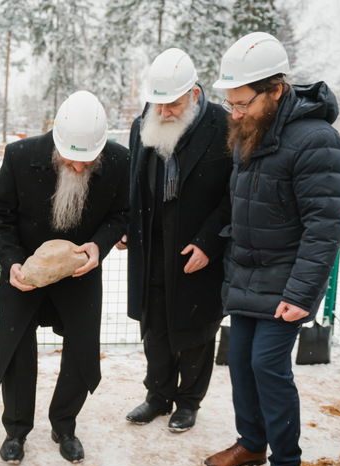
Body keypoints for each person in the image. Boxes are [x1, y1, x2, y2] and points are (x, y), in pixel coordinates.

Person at [203, 32, 340, 466]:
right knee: (241, 361)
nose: (235, 113)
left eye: (243, 103)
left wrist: (302, 294)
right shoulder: (251, 133)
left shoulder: (315, 140)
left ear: (276, 90)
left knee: (268, 365)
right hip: (247, 274)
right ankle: (251, 443)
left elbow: (324, 226)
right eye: (230, 104)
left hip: (287, 280)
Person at [0, 90, 129, 464]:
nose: (79, 168)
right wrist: (12, 261)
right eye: (70, 160)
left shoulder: (119, 160)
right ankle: (16, 429)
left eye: (88, 161)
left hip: (80, 270)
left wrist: (99, 246)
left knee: (82, 351)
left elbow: (122, 213)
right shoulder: (20, 156)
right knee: (17, 350)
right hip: (25, 269)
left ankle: (64, 425)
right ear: (56, 141)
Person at [119, 48, 232, 432]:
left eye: (173, 104)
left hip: (196, 245)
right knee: (154, 325)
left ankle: (188, 401)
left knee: (196, 328)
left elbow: (233, 195)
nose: (164, 112)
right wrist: (127, 224)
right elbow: (134, 183)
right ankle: (157, 395)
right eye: (158, 104)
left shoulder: (223, 125)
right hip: (151, 245)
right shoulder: (142, 125)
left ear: (194, 95)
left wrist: (209, 243)